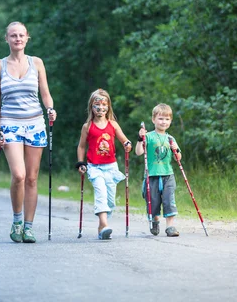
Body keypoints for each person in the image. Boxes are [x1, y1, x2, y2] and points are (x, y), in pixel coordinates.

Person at [0, 21, 57, 243]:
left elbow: (45, 93)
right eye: (13, 35)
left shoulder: (36, 63)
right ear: (6, 39)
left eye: (21, 35)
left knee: (32, 178)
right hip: (10, 124)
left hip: (36, 124)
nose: (17, 39)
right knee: (18, 175)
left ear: (27, 38)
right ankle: (17, 220)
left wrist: (50, 108)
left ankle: (28, 227)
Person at [76, 89, 132, 240]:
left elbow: (124, 140)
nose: (101, 108)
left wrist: (127, 144)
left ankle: (101, 227)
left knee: (110, 200)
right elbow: (81, 146)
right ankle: (104, 224)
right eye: (97, 105)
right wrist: (81, 163)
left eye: (104, 104)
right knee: (100, 193)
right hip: (94, 167)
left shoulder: (113, 125)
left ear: (108, 106)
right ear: (91, 107)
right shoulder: (87, 127)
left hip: (111, 166)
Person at [135, 103, 182, 237]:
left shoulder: (170, 138)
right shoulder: (148, 136)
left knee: (169, 200)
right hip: (152, 175)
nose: (164, 122)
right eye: (160, 118)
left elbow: (179, 157)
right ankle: (155, 221)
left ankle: (170, 227)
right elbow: (139, 152)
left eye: (167, 119)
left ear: (170, 121)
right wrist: (140, 139)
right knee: (153, 201)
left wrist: (175, 150)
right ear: (153, 119)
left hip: (168, 174)